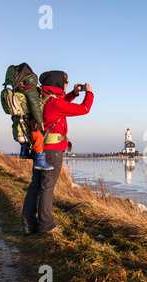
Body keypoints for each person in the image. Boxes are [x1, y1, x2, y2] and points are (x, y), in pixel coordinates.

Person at [21, 70, 94, 235]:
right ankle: (46, 226)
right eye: (65, 82)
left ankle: (28, 225)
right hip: (52, 151)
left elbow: (60, 104)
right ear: (57, 83)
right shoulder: (55, 104)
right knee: (47, 187)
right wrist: (89, 93)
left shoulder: (42, 100)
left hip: (40, 148)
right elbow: (84, 109)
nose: (67, 84)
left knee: (35, 186)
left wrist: (73, 93)